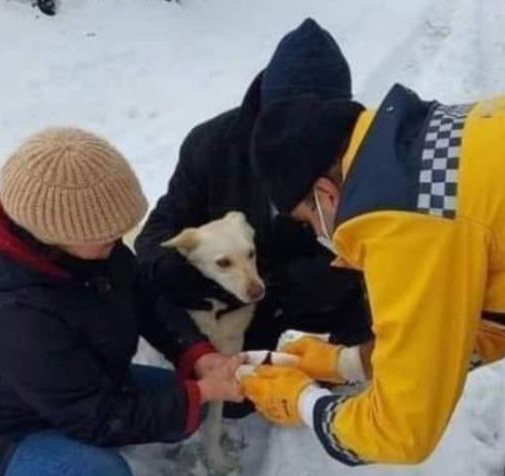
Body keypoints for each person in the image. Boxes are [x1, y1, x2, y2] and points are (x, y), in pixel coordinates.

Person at [240, 63, 505, 476]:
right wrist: (347, 364)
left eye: (307, 220)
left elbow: (400, 432)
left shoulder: (403, 220)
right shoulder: (413, 155)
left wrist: (302, 400)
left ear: (324, 194)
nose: (317, 234)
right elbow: (480, 326)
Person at [0, 128, 244, 476]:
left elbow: (141, 293)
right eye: (107, 235)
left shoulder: (85, 250)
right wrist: (201, 391)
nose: (118, 239)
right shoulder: (10, 314)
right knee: (101, 474)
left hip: (81, 386)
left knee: (186, 405)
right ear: (56, 234)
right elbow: (95, 416)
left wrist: (196, 353)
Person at [135, 19, 373, 417]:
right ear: (263, 109)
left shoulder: (360, 155)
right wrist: (188, 275)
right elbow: (157, 232)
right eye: (286, 125)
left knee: (363, 338)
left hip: (310, 295)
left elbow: (373, 256)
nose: (301, 140)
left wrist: (282, 285)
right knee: (236, 402)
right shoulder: (213, 146)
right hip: (230, 301)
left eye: (318, 126)